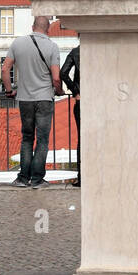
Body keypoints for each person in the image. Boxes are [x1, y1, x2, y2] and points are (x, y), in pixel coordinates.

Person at [1, 16, 62, 188]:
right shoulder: (52, 47)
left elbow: (5, 69)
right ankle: (37, 179)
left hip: (24, 98)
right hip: (44, 98)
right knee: (42, 140)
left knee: (27, 138)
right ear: (48, 29)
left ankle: (22, 178)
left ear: (32, 26)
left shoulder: (18, 43)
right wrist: (58, 90)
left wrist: (8, 90)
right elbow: (56, 78)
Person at [60, 44, 80, 187]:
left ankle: (81, 176)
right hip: (98, 99)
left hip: (81, 99)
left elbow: (63, 73)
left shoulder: (76, 52)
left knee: (82, 139)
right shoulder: (99, 47)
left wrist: (75, 90)